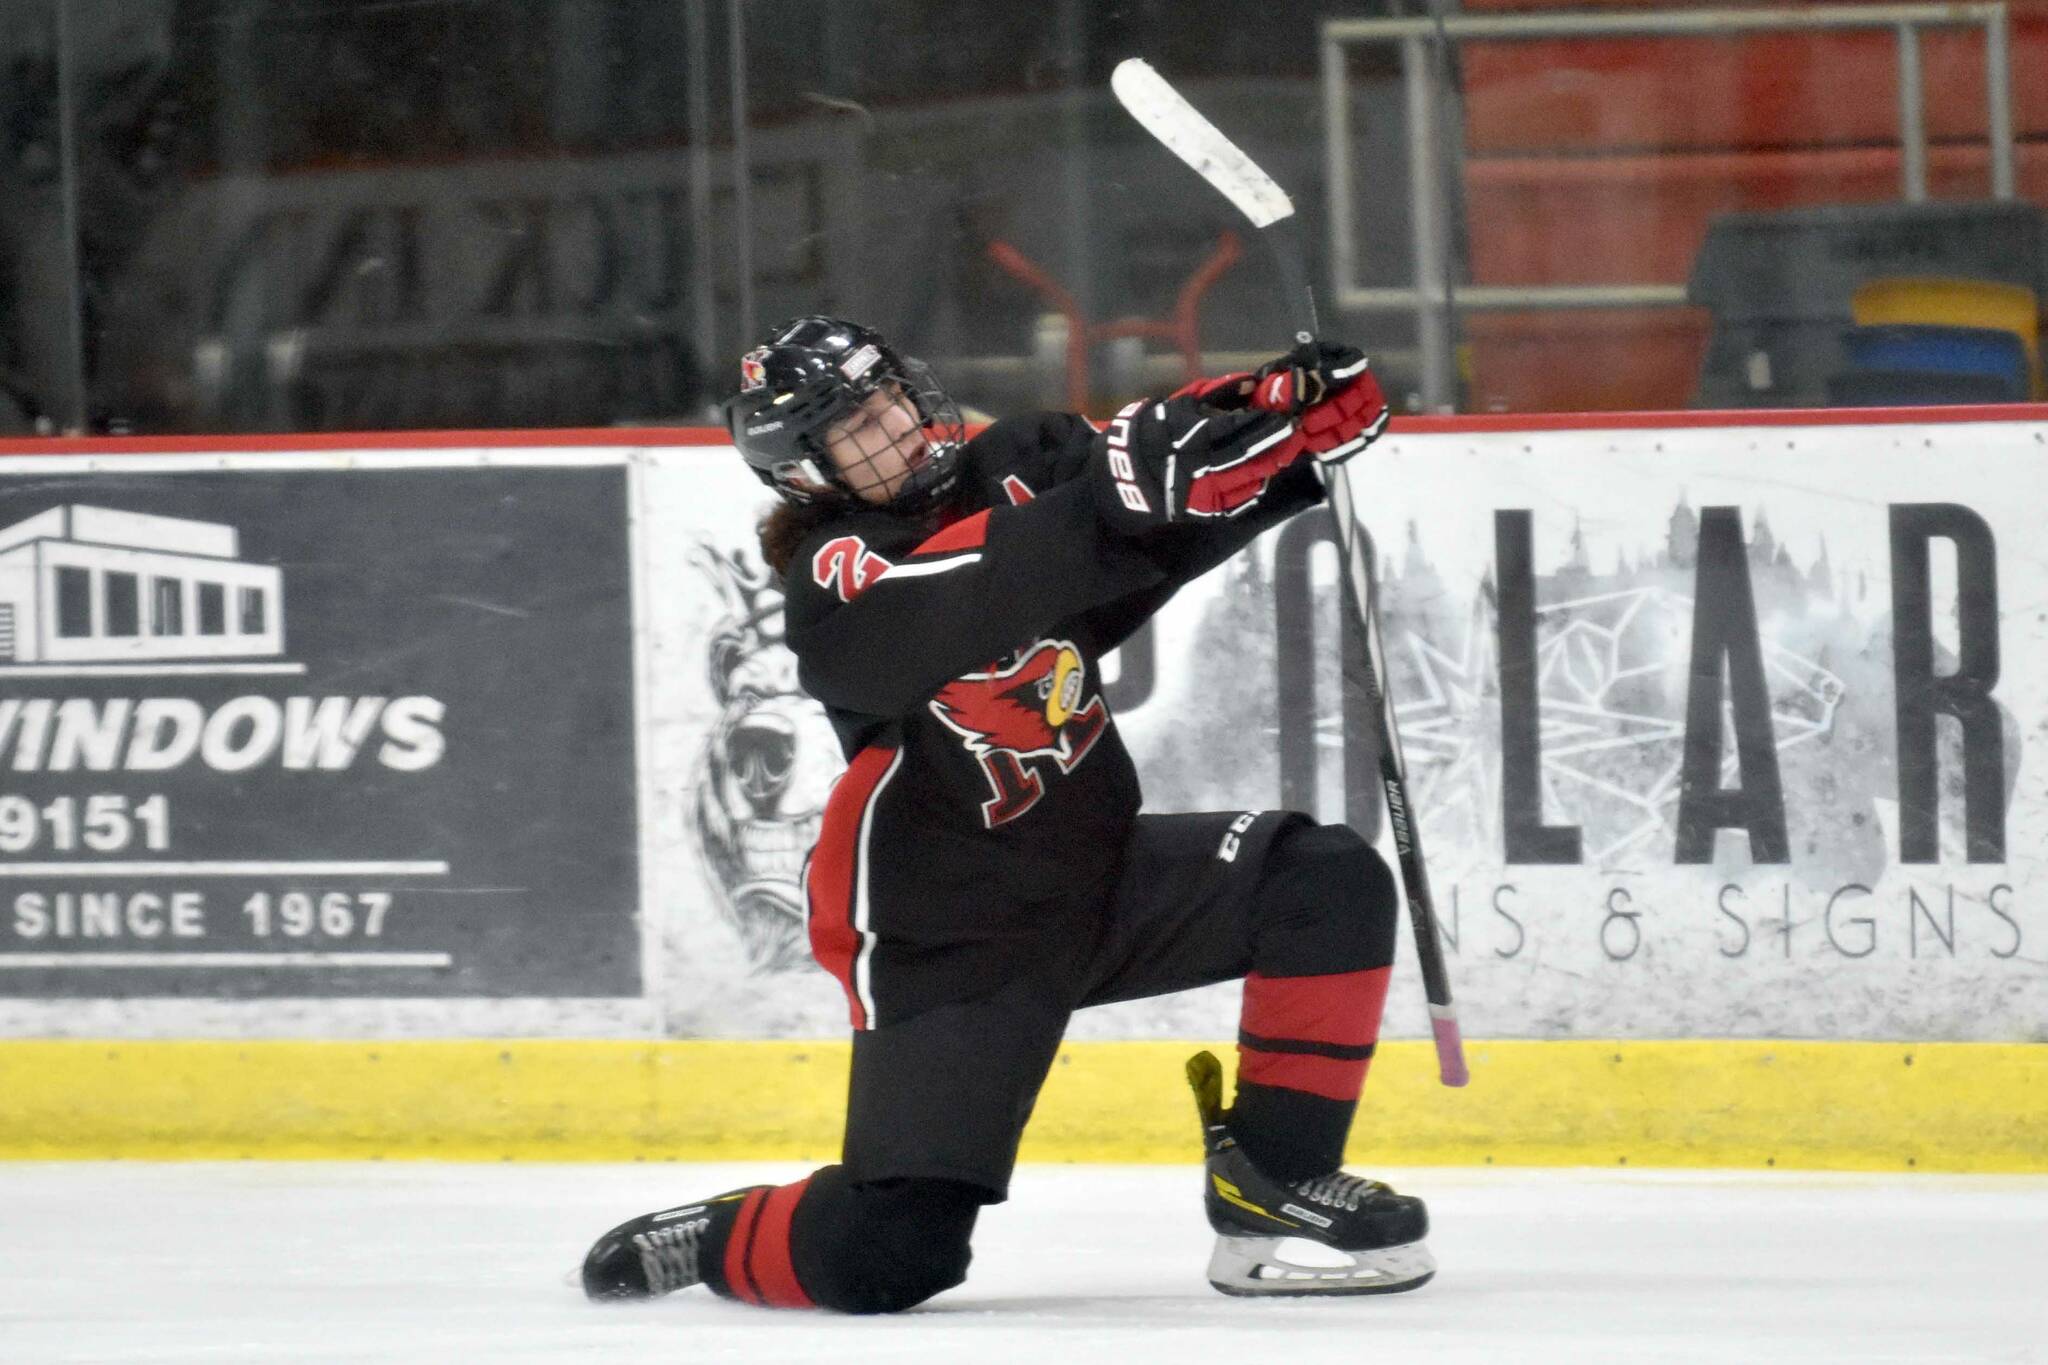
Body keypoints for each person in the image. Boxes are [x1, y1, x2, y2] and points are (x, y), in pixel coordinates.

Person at [581, 315, 1428, 1312]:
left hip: (1097, 874)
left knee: (1322, 879)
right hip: (953, 939)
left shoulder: (1018, 461)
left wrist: (1281, 429)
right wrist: (1144, 491)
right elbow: (1005, 571)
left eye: (888, 401)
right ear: (807, 472)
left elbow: (1143, 505)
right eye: (855, 428)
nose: (894, 430)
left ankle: (1273, 1185)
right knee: (894, 1255)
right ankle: (727, 1235)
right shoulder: (835, 580)